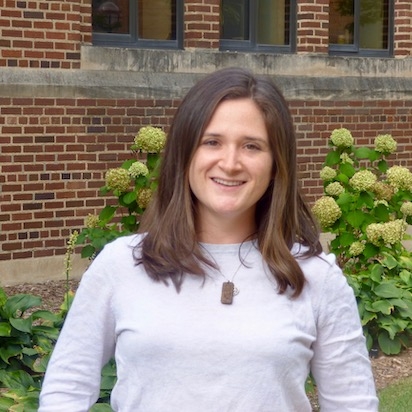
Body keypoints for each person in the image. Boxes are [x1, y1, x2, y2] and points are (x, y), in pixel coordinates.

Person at [39, 67, 378, 411]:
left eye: (251, 146)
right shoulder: (121, 266)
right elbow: (65, 391)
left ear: (276, 164)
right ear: (185, 153)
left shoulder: (316, 277)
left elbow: (353, 404)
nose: (230, 163)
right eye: (212, 142)